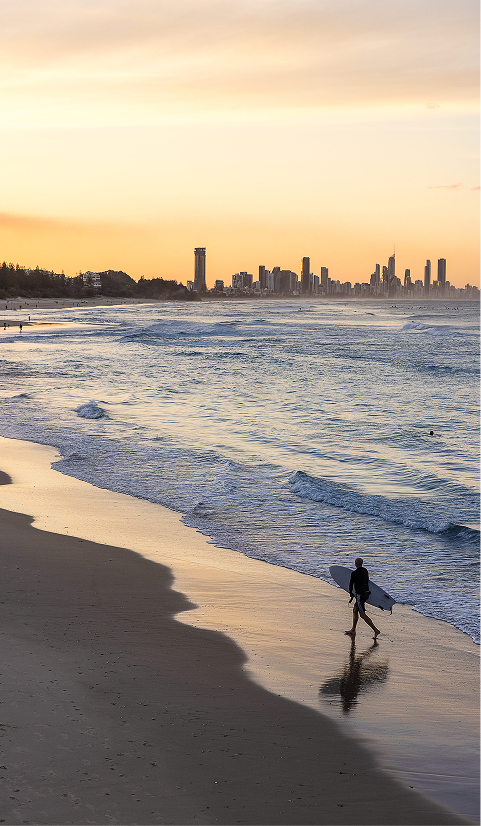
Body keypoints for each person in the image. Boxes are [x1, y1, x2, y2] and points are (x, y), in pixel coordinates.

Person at [345, 557, 380, 639]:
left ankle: (376, 630)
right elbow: (367, 581)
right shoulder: (365, 571)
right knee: (355, 609)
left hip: (360, 596)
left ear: (356, 563)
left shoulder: (354, 573)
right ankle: (353, 629)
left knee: (362, 614)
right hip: (366, 593)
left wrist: (351, 594)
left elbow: (351, 585)